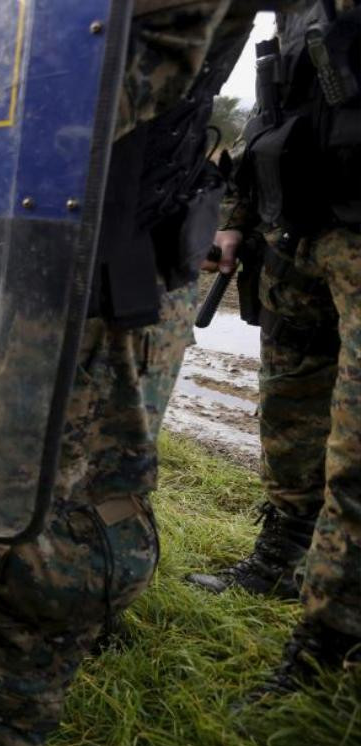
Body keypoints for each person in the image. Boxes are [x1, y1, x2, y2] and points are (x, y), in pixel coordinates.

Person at [0, 3, 285, 746]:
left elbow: (106, 77)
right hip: (9, 253)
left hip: (91, 273)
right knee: (7, 500)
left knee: (40, 543)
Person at [188, 1, 360, 694]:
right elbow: (272, 110)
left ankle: (330, 641)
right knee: (288, 410)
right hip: (294, 229)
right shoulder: (293, 12)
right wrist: (235, 218)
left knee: (355, 455)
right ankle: (282, 553)